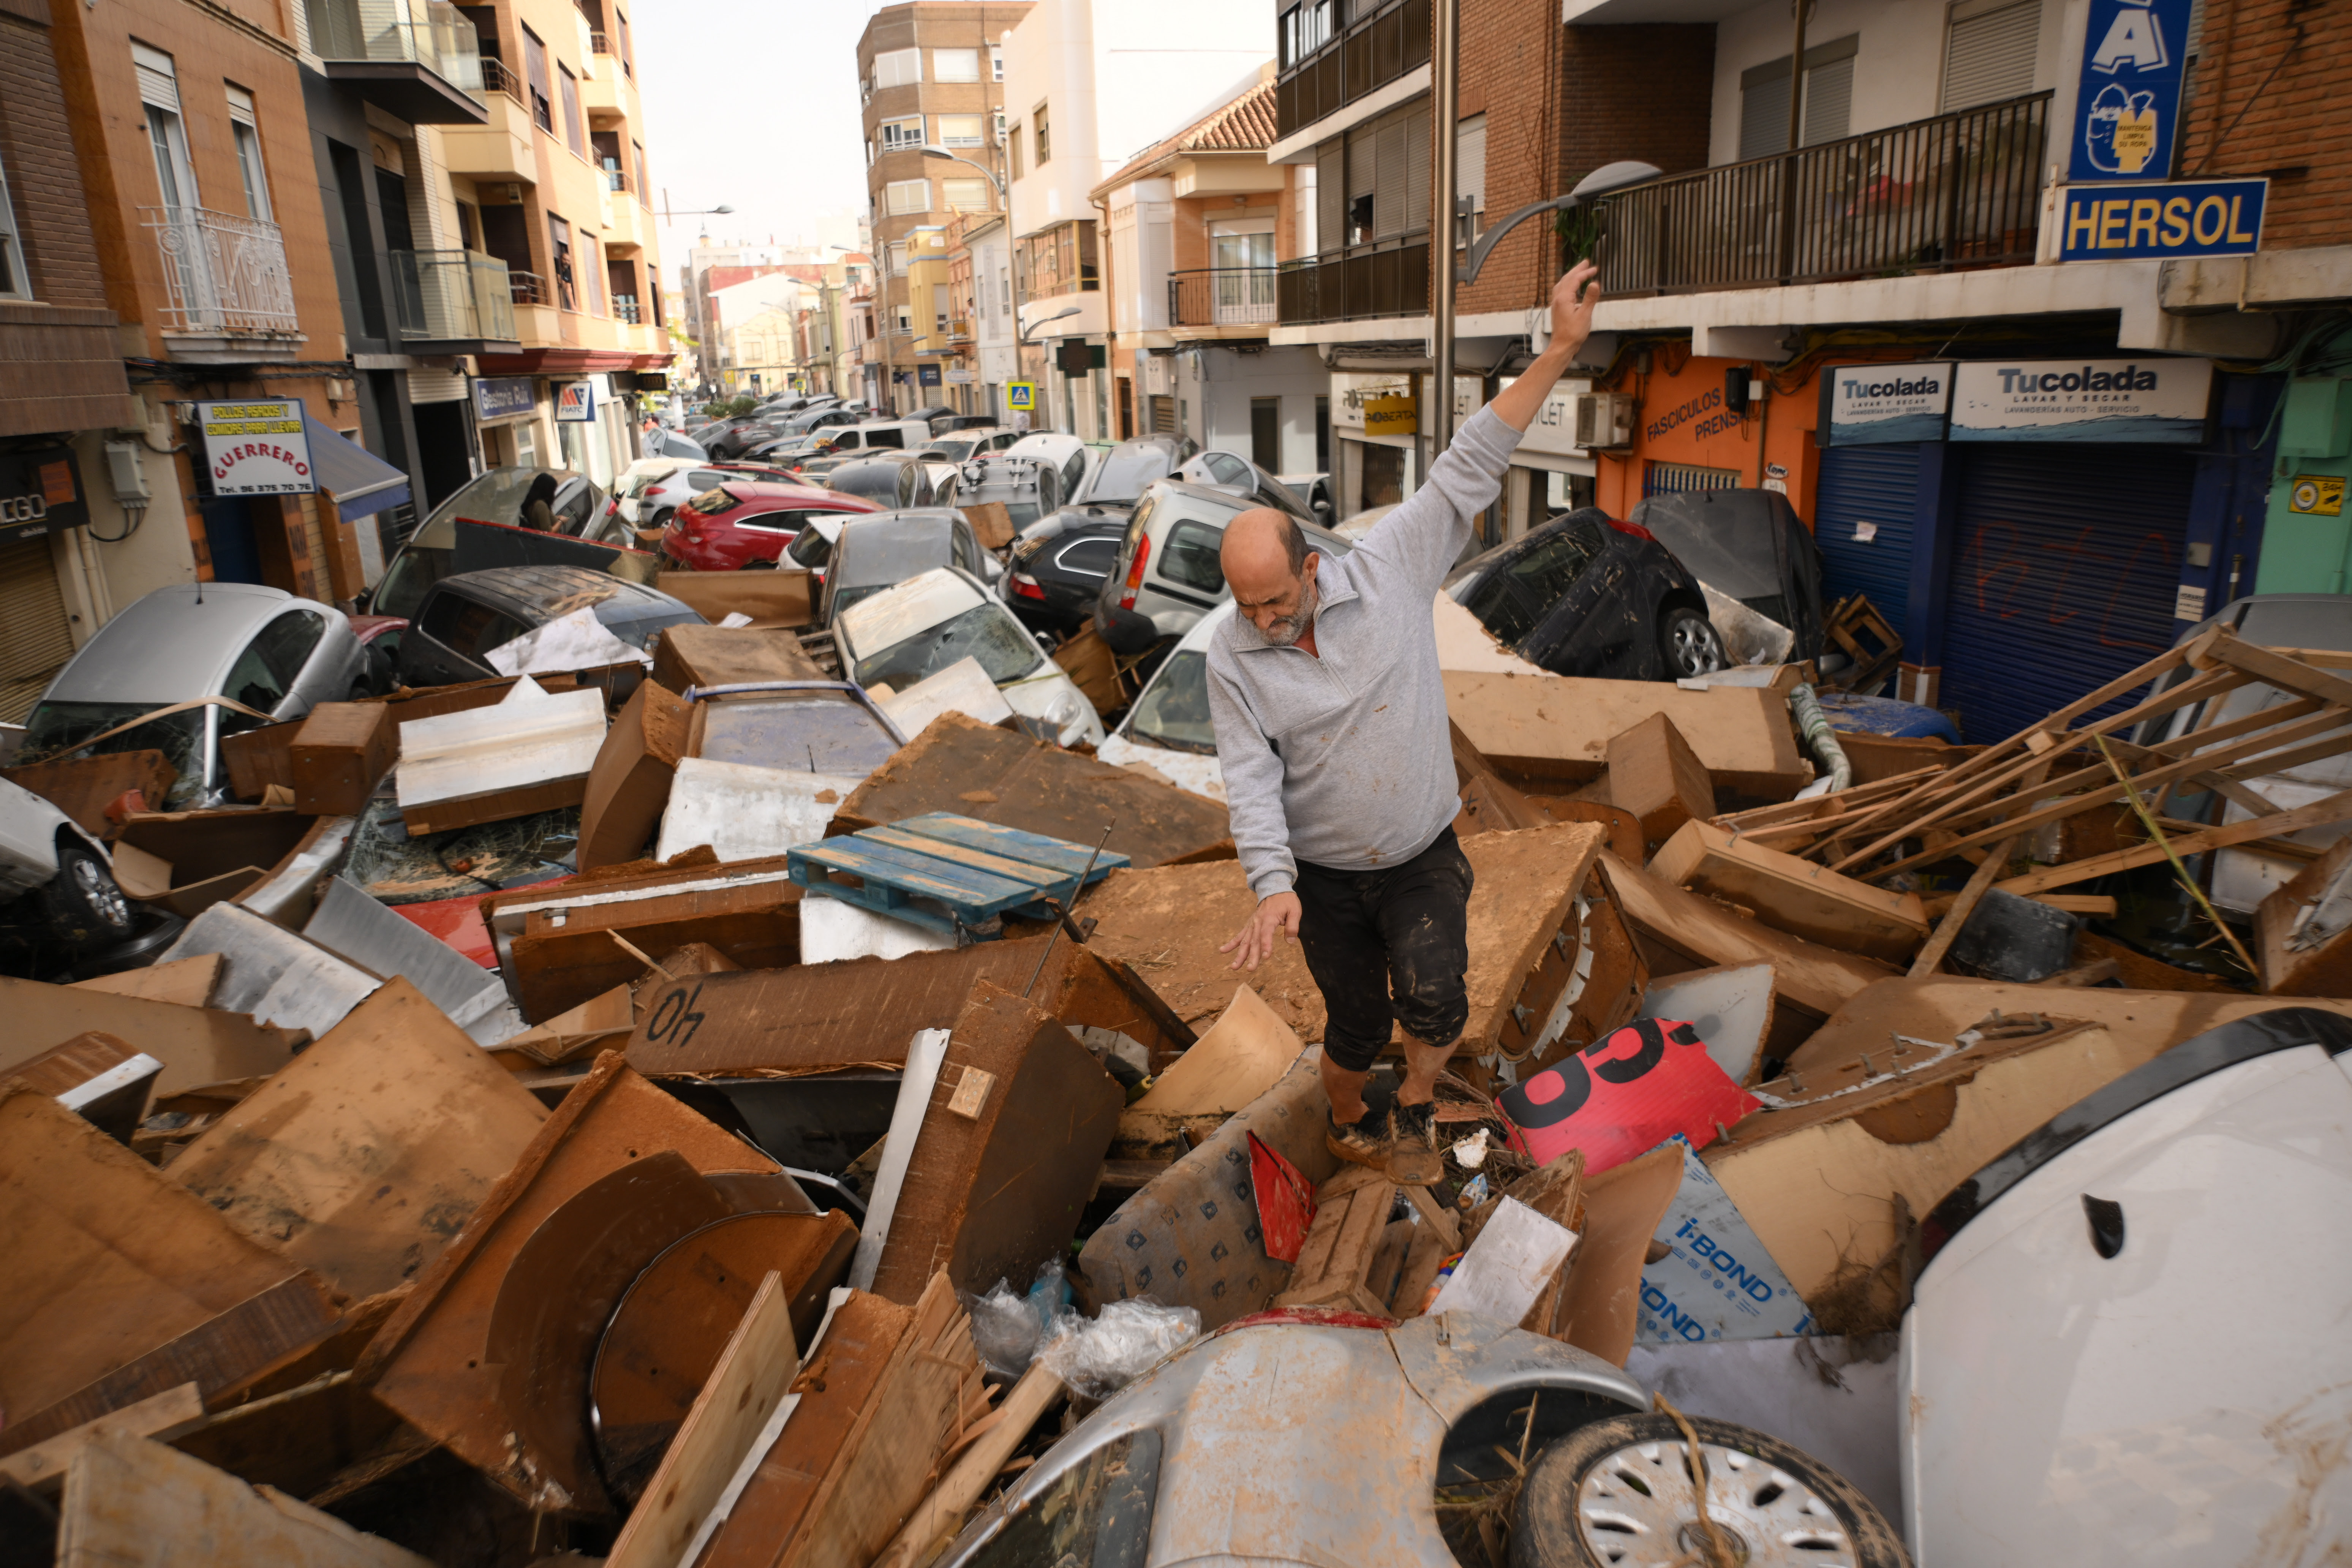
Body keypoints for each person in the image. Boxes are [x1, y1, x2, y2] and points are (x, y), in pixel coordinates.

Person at [1208, 259, 1604, 1170]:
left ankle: (1419, 1099)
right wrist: (1273, 885)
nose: (1263, 623)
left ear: (1310, 568)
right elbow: (1250, 773)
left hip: (1422, 852)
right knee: (1353, 1019)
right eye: (1247, 608)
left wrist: (1559, 351)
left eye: (1275, 602)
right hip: (1325, 877)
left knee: (1434, 998)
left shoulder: (1388, 565)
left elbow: (1471, 463)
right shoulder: (1232, 654)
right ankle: (1350, 1125)